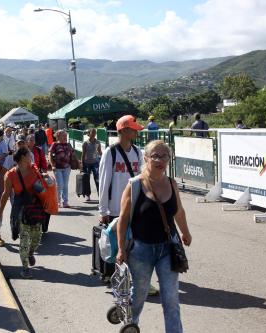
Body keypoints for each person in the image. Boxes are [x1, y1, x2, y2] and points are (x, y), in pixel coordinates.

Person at [116, 140, 192, 333]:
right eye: (155, 156)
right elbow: (123, 220)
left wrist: (185, 232)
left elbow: (179, 212)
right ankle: (130, 327)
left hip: (168, 248)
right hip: (141, 250)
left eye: (164, 156)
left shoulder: (172, 183)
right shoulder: (134, 186)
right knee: (139, 295)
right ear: (146, 158)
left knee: (171, 299)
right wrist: (121, 248)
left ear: (169, 159)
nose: (160, 160)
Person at [99, 115, 161, 295]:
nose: (136, 131)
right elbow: (104, 182)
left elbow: (143, 179)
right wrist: (103, 210)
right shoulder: (110, 153)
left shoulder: (137, 152)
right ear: (124, 130)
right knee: (121, 249)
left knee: (139, 248)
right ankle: (121, 282)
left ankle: (140, 282)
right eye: (133, 129)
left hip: (135, 208)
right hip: (115, 209)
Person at [0, 147, 44, 278]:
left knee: (37, 237)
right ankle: (25, 269)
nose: (31, 156)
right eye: (28, 154)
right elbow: (5, 194)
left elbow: (43, 187)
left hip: (35, 208)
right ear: (22, 157)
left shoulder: (34, 169)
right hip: (21, 210)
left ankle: (31, 253)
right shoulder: (10, 174)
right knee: (24, 239)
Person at [49, 129, 77, 208]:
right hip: (57, 167)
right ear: (58, 137)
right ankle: (58, 201)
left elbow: (73, 154)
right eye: (63, 136)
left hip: (67, 167)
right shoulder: (54, 144)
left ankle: (65, 202)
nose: (65, 137)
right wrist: (52, 165)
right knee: (60, 185)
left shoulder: (68, 145)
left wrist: (78, 163)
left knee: (65, 185)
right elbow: (50, 155)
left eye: (66, 136)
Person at [81, 128, 102, 201]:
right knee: (87, 179)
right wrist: (82, 164)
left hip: (95, 163)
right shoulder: (85, 143)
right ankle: (87, 195)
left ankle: (100, 195)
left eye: (95, 133)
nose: (94, 134)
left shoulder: (98, 142)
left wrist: (103, 160)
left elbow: (100, 152)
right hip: (87, 163)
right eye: (92, 132)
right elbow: (83, 154)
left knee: (97, 179)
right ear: (89, 133)